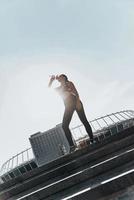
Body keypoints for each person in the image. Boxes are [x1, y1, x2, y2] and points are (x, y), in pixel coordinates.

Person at [48, 74, 94, 152]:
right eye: (58, 76)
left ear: (64, 77)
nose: (58, 77)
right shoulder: (58, 88)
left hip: (74, 101)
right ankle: (72, 146)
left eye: (60, 76)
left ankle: (92, 139)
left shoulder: (68, 83)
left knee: (84, 121)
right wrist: (51, 80)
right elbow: (48, 89)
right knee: (64, 126)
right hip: (68, 105)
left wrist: (78, 102)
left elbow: (76, 92)